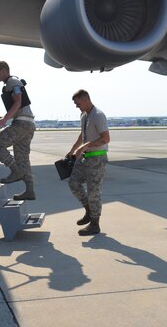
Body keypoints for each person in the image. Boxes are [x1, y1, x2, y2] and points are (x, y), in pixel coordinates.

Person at [0, 61, 36, 200]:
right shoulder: (11, 84)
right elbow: (18, 106)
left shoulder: (13, 82)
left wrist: (5, 119)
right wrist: (5, 117)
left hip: (22, 124)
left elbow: (18, 101)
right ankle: (30, 190)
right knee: (22, 158)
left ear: (4, 70)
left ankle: (15, 171)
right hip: (28, 124)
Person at [67, 89, 110, 235]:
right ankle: (88, 210)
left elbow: (106, 139)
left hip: (97, 157)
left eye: (78, 103)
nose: (77, 106)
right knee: (73, 183)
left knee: (93, 191)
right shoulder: (84, 115)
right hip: (85, 156)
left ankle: (95, 224)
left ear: (85, 100)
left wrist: (85, 146)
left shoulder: (98, 115)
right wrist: (73, 149)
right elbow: (83, 133)